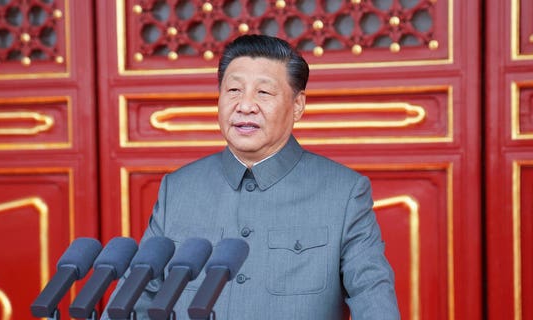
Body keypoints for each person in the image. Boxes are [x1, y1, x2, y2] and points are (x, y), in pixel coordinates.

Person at [105, 34, 400, 319]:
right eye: (233, 91)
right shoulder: (179, 189)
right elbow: (139, 297)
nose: (245, 106)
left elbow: (371, 294)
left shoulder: (343, 192)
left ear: (297, 105)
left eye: (264, 92)